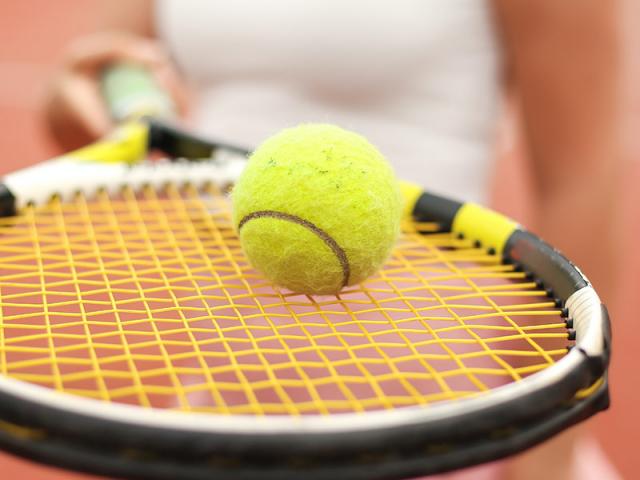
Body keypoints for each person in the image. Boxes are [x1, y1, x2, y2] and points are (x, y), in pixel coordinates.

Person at [44, 1, 623, 478]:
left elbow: (586, 179)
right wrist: (86, 94)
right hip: (224, 399)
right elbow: (100, 76)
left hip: (441, 426)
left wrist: (542, 460)